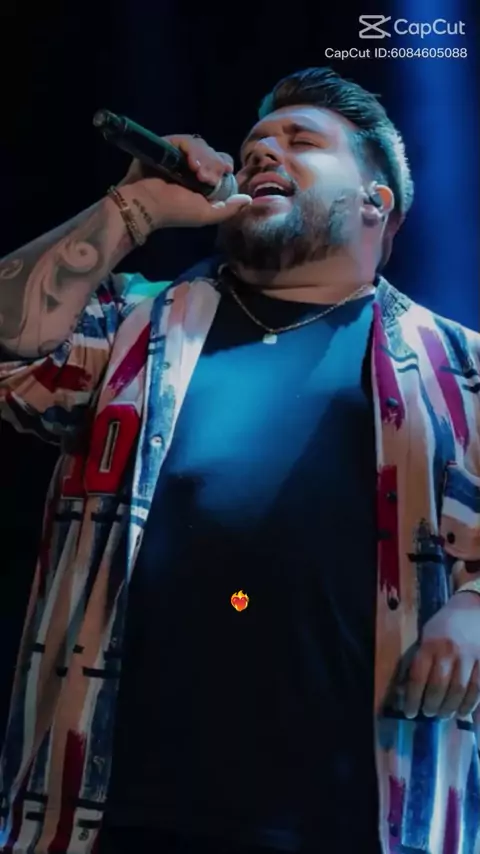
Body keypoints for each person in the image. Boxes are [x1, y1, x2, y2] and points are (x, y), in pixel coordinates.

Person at [0, 66, 479, 854]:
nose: (261, 152)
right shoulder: (132, 325)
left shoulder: (460, 369)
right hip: (117, 808)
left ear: (376, 200)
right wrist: (134, 207)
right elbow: (11, 356)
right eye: (255, 143)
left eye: (301, 141)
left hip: (358, 818)